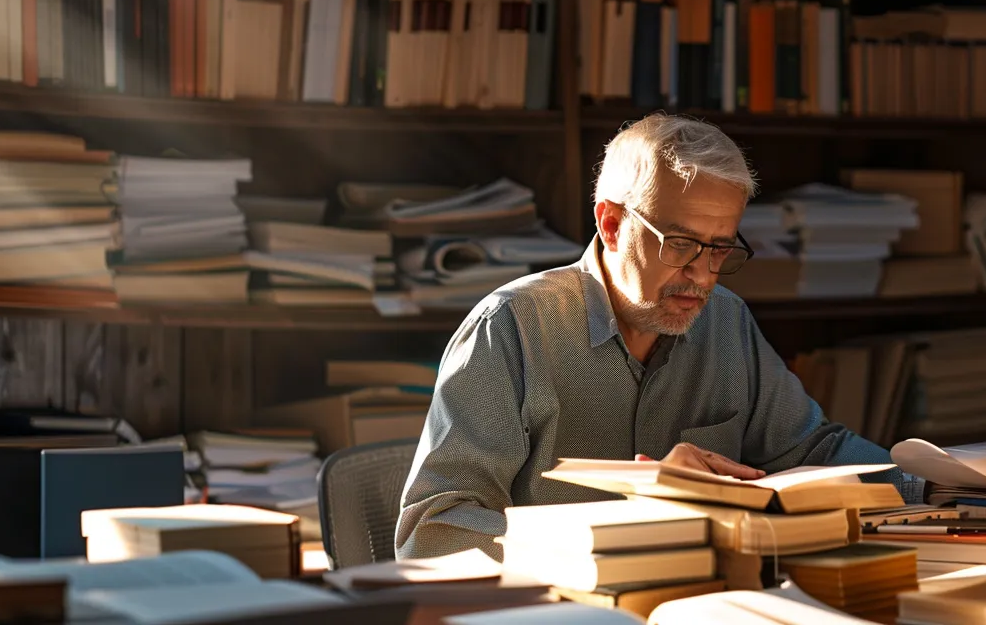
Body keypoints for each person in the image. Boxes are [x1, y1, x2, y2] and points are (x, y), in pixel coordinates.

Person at [393, 114, 922, 560]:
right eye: (682, 243)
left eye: (720, 248)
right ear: (613, 224)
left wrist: (944, 486)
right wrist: (633, 529)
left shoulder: (725, 321)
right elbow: (433, 532)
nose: (703, 275)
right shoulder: (512, 329)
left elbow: (812, 449)